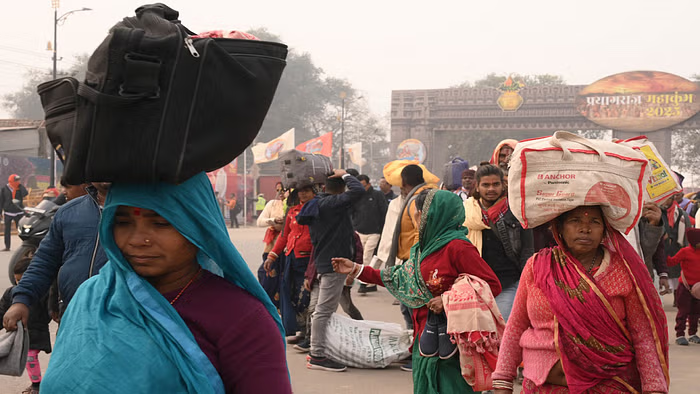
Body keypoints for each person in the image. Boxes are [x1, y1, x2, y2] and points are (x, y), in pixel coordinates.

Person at [3, 173, 291, 393]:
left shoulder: (242, 318)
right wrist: (23, 297)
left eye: (161, 223)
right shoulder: (91, 297)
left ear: (198, 226)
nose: (138, 240)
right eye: (123, 222)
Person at [333, 189, 501, 392]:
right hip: (425, 336)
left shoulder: (458, 248)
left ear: (434, 214)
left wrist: (447, 300)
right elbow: (396, 277)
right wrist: (355, 269)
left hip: (453, 342)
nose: (415, 218)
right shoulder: (422, 248)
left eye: (419, 212)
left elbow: (491, 285)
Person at [492, 205, 670, 394]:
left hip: (609, 385)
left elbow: (642, 334)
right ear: (559, 227)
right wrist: (502, 379)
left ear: (605, 230)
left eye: (594, 222)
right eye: (575, 221)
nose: (585, 229)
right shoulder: (538, 266)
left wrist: (654, 388)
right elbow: (516, 325)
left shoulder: (622, 270)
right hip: (541, 386)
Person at [3, 183, 110, 327]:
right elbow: (44, 261)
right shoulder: (67, 213)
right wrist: (21, 300)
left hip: (122, 322)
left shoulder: (141, 210)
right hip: (72, 318)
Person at [297, 169, 364, 372]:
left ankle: (322, 349)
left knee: (324, 309)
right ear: (342, 188)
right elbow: (358, 190)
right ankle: (317, 354)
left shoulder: (316, 205)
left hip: (324, 261)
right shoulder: (332, 204)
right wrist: (345, 174)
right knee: (324, 311)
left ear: (323, 187)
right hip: (334, 263)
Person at [463, 164, 533, 321]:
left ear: (503, 185)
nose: (491, 189)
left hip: (507, 283)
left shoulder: (516, 211)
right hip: (475, 284)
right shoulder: (466, 212)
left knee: (503, 329)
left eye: (495, 184)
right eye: (485, 185)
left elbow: (526, 250)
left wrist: (526, 282)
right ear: (478, 187)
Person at [264, 186, 314, 342]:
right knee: (290, 294)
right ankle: (299, 330)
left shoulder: (319, 209)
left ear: (315, 191)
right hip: (291, 258)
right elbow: (285, 235)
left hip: (308, 259)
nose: (303, 193)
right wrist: (272, 256)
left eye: (307, 190)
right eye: (300, 191)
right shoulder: (292, 211)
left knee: (305, 296)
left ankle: (310, 334)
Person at [0, 257, 52, 394]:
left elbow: (49, 311)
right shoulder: (10, 293)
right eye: (17, 281)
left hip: (37, 333)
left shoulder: (43, 293)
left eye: (23, 280)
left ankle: (36, 385)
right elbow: (2, 311)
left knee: (30, 358)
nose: (20, 284)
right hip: (18, 335)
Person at [351, 174, 388, 295]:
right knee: (360, 257)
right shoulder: (356, 196)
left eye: (363, 185)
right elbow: (352, 213)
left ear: (369, 184)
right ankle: (369, 282)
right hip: (359, 231)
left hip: (374, 232)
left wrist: (383, 231)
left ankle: (363, 283)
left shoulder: (377, 195)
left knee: (367, 256)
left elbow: (384, 213)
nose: (361, 188)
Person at [667, 228, 700, 346]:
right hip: (685, 288)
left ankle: (692, 334)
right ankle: (680, 334)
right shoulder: (685, 252)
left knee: (696, 312)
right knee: (683, 312)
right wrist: (665, 252)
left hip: (698, 289)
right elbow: (671, 262)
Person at [256, 186, 286, 308]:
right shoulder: (272, 204)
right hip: (271, 248)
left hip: (287, 249)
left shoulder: (294, 205)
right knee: (265, 275)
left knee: (282, 281)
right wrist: (273, 220)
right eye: (278, 189)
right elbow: (260, 222)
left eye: (284, 190)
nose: (280, 192)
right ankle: (267, 307)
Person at [1, 174, 29, 251]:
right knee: (7, 230)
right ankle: (7, 246)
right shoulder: (4, 189)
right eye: (16, 180)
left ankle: (26, 246)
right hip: (8, 212)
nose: (18, 182)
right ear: (11, 181)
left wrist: (20, 186)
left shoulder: (19, 188)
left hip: (18, 212)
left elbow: (25, 194)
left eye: (18, 180)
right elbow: (1, 201)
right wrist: (0, 212)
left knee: (21, 230)